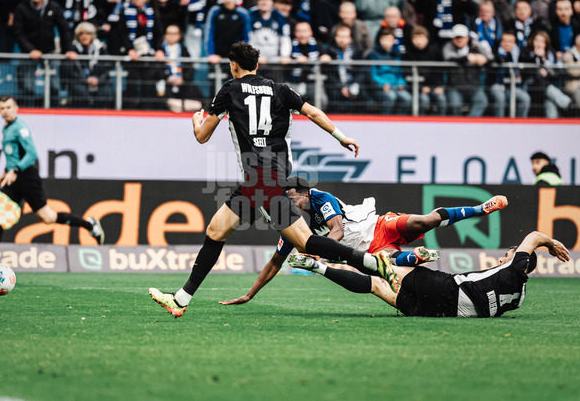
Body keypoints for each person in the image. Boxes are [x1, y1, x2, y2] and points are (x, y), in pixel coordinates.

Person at [149, 42, 397, 318]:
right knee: (216, 232)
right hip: (269, 179)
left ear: (233, 66)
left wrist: (196, 122)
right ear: (257, 65)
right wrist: (342, 137)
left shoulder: (229, 90)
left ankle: (372, 263)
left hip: (259, 181)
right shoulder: (280, 90)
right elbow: (314, 113)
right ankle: (180, 299)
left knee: (304, 242)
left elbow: (202, 136)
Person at [220, 175, 508, 306]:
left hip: (378, 225)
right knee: (390, 262)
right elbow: (274, 263)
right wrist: (250, 294)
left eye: (291, 198)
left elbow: (337, 231)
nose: (288, 204)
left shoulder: (321, 198)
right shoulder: (291, 225)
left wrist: (317, 252)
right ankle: (415, 257)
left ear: (304, 194)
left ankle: (480, 208)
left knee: (424, 221)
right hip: (368, 253)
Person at [287, 231, 570, 318]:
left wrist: (550, 243)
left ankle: (321, 252)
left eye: (508, 254)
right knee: (376, 285)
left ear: (522, 261)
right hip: (442, 312)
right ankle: (318, 267)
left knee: (381, 265)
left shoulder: (515, 269)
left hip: (447, 288)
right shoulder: (519, 298)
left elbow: (534, 236)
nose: (502, 258)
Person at [0, 95, 105, 270]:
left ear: (16, 108)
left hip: (26, 178)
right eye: (2, 108)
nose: (5, 111)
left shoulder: (20, 128)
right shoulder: (6, 128)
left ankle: (89, 224)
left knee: (48, 218)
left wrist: (15, 170)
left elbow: (31, 154)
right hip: (14, 178)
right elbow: (14, 155)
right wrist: (5, 171)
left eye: (8, 107)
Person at [13, 0, 76, 107]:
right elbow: (18, 33)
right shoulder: (21, 8)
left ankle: (55, 110)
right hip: (29, 53)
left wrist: (68, 49)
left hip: (49, 50)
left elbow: (64, 29)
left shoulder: (53, 6)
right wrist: (30, 49)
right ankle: (28, 111)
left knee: (54, 85)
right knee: (27, 86)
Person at [443, 24, 491, 116]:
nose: (459, 40)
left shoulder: (474, 46)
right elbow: (449, 57)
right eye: (457, 37)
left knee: (482, 101)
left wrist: (484, 59)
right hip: (455, 87)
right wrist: (467, 58)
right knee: (455, 105)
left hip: (473, 86)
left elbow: (490, 57)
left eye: (462, 37)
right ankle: (458, 123)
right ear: (453, 38)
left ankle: (471, 122)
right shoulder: (448, 46)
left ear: (467, 38)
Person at [63, 22, 113, 108]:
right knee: (80, 92)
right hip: (79, 81)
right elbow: (71, 72)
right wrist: (85, 80)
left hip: (98, 80)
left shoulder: (101, 48)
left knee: (106, 91)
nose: (84, 36)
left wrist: (98, 80)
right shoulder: (72, 49)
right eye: (81, 33)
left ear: (92, 35)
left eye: (87, 33)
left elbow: (106, 68)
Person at [367, 27, 412, 115]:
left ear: (394, 41)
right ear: (379, 40)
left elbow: (400, 73)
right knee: (391, 96)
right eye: (384, 39)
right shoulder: (373, 54)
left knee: (407, 98)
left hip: (396, 86)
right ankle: (385, 119)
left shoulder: (397, 54)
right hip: (381, 87)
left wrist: (401, 83)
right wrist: (382, 84)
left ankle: (400, 119)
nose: (386, 42)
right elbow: (372, 74)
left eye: (389, 39)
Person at [403, 26, 447, 116]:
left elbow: (440, 71)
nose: (419, 41)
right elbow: (407, 75)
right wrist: (420, 88)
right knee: (424, 100)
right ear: (412, 40)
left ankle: (441, 122)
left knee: (441, 99)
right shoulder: (408, 54)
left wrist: (439, 86)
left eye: (421, 38)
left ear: (427, 39)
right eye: (416, 38)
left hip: (435, 88)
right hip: (417, 89)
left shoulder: (435, 51)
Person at [489, 31, 531, 118]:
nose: (507, 44)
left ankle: (520, 123)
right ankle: (500, 123)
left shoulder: (519, 54)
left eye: (510, 41)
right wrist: (501, 57)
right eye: (505, 41)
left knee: (525, 98)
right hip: (497, 86)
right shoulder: (495, 52)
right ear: (500, 42)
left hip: (513, 87)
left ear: (515, 43)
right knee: (500, 98)